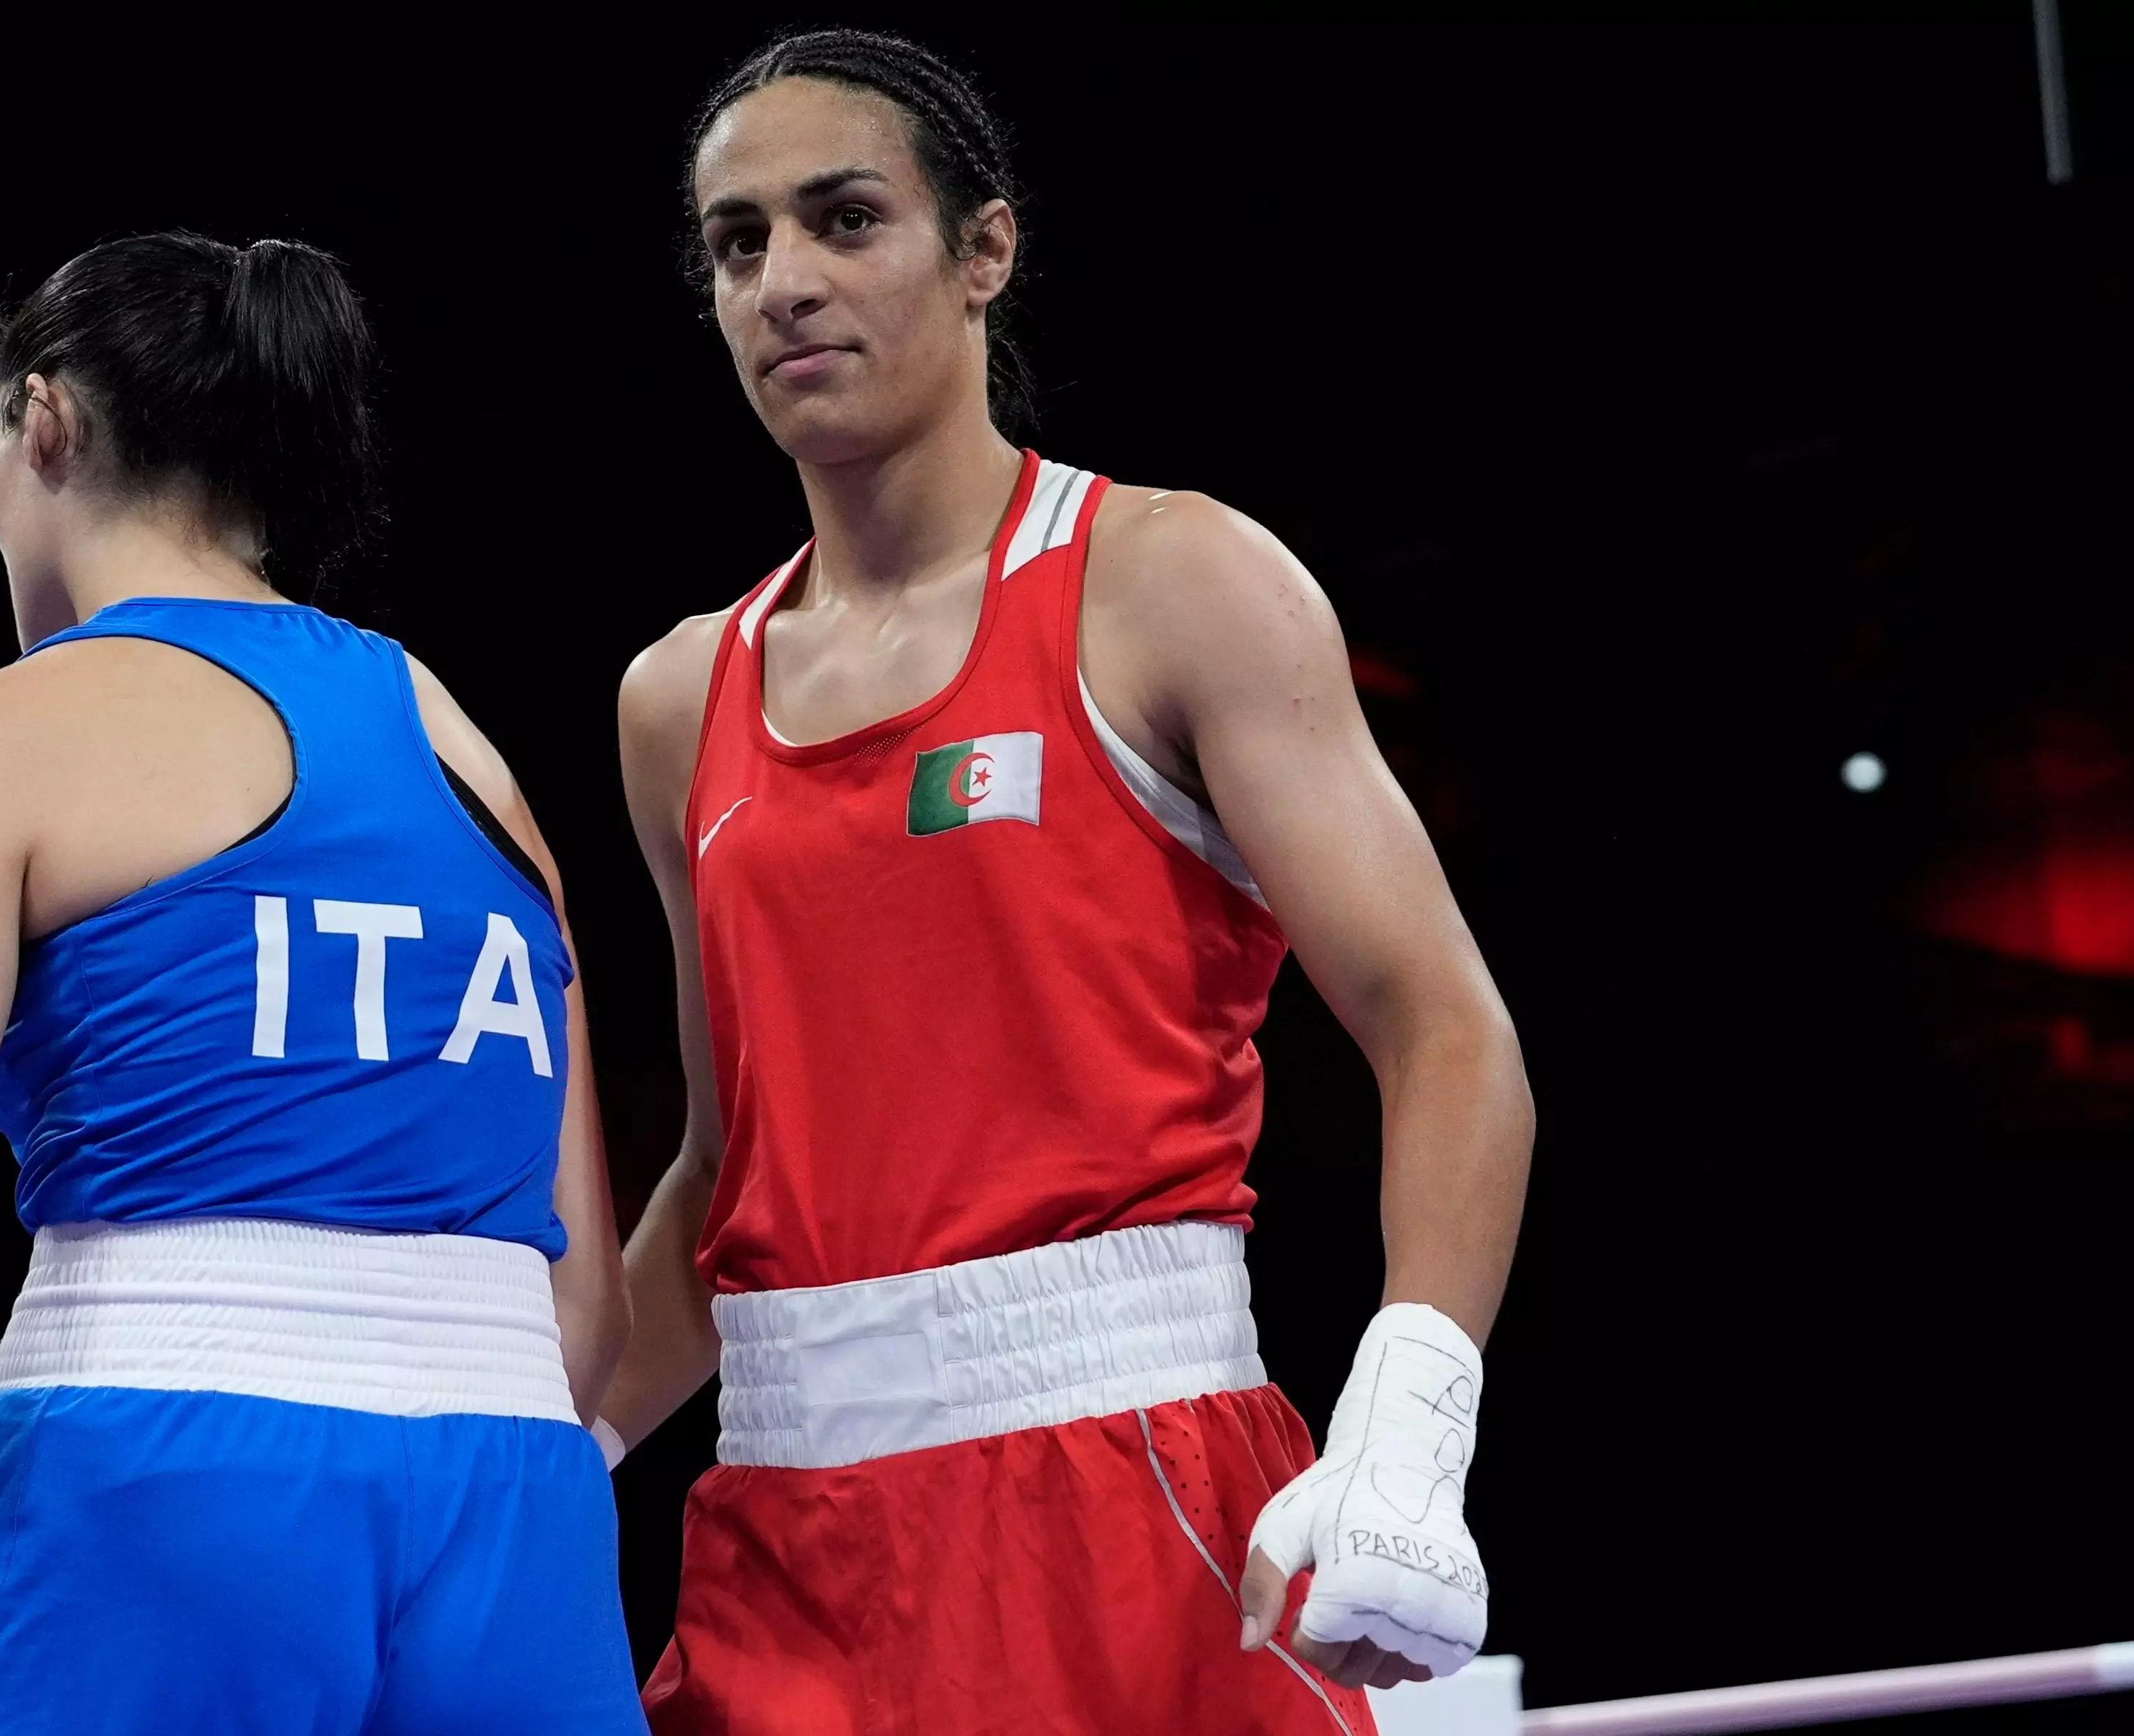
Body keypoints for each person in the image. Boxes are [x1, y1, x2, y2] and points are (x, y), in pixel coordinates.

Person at [600, 32, 1535, 1736]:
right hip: (783, 1544)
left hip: (1125, 1493)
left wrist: (1409, 1419)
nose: (783, 283)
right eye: (738, 244)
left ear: (983, 252)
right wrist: (528, 1456)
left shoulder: (1167, 584)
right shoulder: (678, 699)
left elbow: (1441, 1028)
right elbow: (728, 1170)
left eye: (843, 219)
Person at [0, 232, 642, 1735]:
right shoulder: (471, 755)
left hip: (156, 1488)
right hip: (518, 1521)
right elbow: (587, 1315)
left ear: (40, 421)